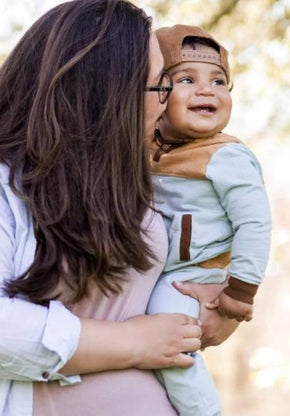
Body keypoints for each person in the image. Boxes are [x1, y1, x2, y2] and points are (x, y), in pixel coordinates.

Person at [0, 2, 237, 415]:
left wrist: (214, 302)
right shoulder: (10, 185)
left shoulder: (135, 181)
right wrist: (134, 344)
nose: (168, 101)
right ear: (104, 94)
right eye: (160, 85)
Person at [146, 24, 272, 416]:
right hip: (165, 270)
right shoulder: (147, 146)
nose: (207, 90)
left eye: (219, 82)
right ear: (157, 94)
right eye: (187, 79)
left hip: (195, 274)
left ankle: (204, 411)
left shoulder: (226, 156)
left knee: (168, 338)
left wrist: (240, 291)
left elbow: (255, 223)